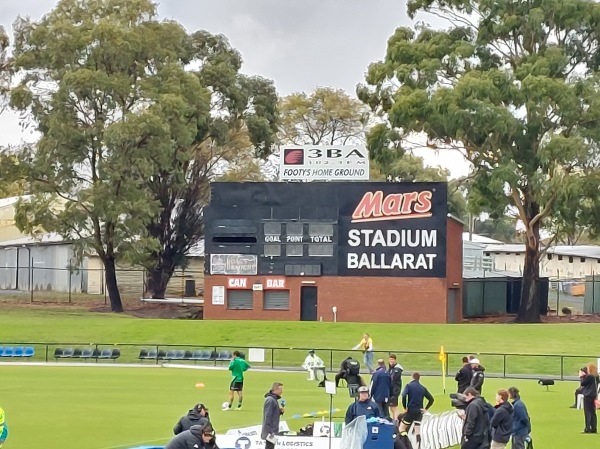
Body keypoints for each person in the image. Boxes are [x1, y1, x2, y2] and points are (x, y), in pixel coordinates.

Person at [399, 372, 434, 439]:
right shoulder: (422, 388)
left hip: (411, 411)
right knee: (417, 430)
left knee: (402, 428)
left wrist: (405, 407)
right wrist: (426, 409)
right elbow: (431, 399)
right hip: (419, 412)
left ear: (412, 377)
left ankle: (405, 442)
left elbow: (403, 395)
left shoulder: (408, 386)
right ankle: (418, 445)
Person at [262, 382, 285, 449]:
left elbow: (272, 414)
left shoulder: (273, 399)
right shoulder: (270, 400)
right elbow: (267, 416)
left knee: (271, 447)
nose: (281, 392)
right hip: (270, 431)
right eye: (280, 390)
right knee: (269, 447)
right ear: (275, 389)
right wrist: (270, 432)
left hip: (272, 430)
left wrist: (279, 412)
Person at [580, 363, 599, 433]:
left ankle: (588, 428)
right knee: (592, 411)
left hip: (588, 395)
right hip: (593, 394)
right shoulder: (596, 377)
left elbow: (583, 383)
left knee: (587, 412)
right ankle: (594, 428)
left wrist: (581, 376)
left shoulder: (589, 376)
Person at [388, 353, 404, 420]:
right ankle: (395, 420)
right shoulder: (392, 368)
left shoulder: (397, 369)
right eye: (390, 359)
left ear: (395, 360)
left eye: (392, 359)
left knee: (394, 407)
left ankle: (397, 421)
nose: (391, 361)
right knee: (392, 407)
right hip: (392, 390)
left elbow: (392, 379)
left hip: (395, 390)